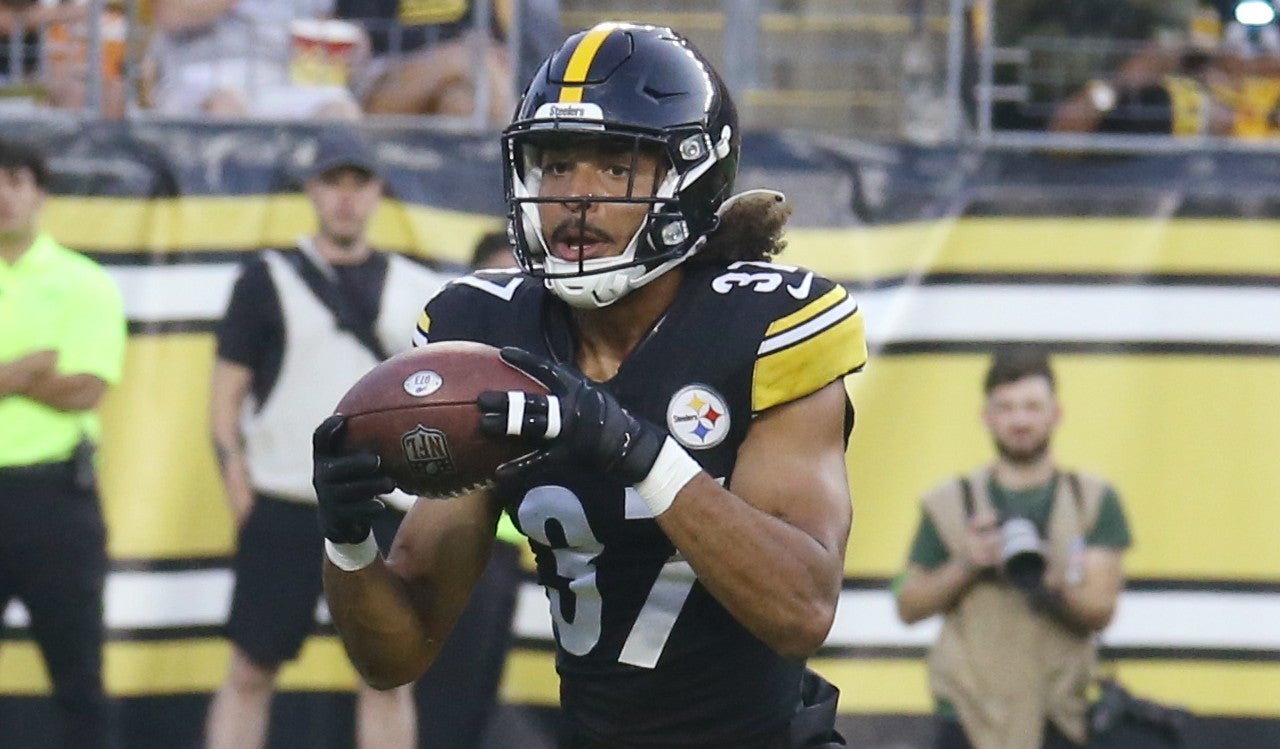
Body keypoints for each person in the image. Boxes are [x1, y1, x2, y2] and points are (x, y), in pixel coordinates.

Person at [312, 22, 868, 749]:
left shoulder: (764, 324)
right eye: (556, 165)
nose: (577, 196)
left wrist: (638, 452)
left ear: (690, 176)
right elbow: (396, 652)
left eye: (615, 167)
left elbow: (802, 611)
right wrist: (348, 540)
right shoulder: (489, 334)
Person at [205, 127, 451, 749]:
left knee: (389, 675)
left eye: (358, 183)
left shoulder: (417, 289)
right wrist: (239, 487)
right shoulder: (266, 279)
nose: (345, 198)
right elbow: (225, 395)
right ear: (311, 191)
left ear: (378, 192)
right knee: (251, 668)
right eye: (332, 183)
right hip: (287, 502)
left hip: (382, 505)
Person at [894, 346, 1133, 749]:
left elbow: (1101, 611)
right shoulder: (950, 503)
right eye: (1005, 408)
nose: (1020, 421)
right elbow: (907, 604)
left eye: (1032, 407)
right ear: (986, 416)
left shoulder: (1091, 500)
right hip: (967, 712)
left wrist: (1053, 581)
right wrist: (967, 564)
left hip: (1060, 711)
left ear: (1056, 413)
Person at [0, 137, 126, 749]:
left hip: (55, 499)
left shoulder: (83, 281)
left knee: (79, 680)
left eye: (15, 180)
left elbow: (84, 389)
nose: (3, 195)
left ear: (40, 193)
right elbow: (60, 380)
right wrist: (23, 372)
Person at [410, 230, 524, 749]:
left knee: (479, 690)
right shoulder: (447, 366)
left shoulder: (542, 359)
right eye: (496, 282)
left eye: (518, 284)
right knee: (441, 691)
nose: (509, 295)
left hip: (508, 546)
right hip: (454, 537)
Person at [147, 0, 362, 119]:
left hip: (288, 76)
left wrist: (353, 43)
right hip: (205, 71)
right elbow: (171, 14)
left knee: (341, 113)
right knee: (225, 109)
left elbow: (321, 23)